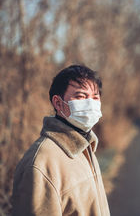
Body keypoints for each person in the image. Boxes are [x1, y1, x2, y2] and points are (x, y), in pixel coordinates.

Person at [12, 64, 110, 216]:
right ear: (58, 103)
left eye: (95, 97)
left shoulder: (85, 146)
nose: (90, 104)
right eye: (80, 97)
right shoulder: (41, 163)